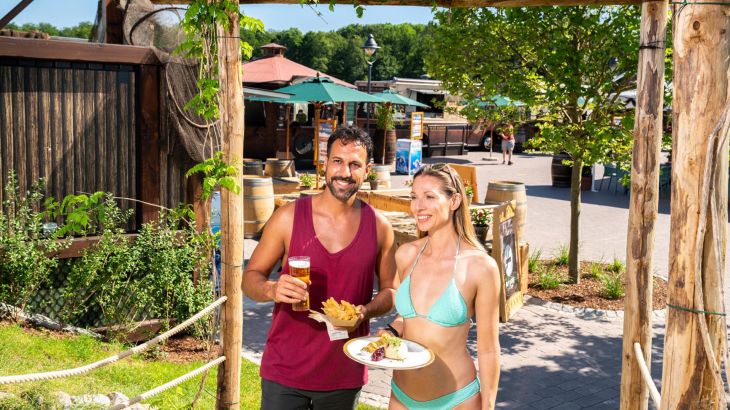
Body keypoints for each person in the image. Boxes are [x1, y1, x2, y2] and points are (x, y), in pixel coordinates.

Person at [243, 126, 397, 410]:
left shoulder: (380, 228)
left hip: (344, 373)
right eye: (337, 161)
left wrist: (365, 311)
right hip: (285, 372)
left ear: (368, 170)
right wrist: (272, 288)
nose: (344, 172)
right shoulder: (288, 217)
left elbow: (390, 291)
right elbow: (250, 279)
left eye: (354, 165)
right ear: (325, 163)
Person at [383, 163, 500, 409]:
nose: (418, 206)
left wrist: (488, 405)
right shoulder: (406, 255)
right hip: (401, 397)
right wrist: (392, 330)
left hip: (456, 400)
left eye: (429, 197)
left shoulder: (480, 267)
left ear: (454, 200)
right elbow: (410, 318)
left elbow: (488, 349)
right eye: (414, 196)